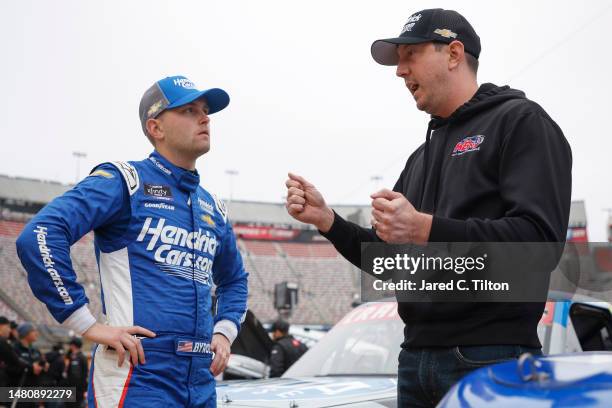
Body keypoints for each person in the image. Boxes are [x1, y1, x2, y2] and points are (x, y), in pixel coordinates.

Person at [285, 8, 571, 407]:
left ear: (454, 54)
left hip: (492, 358)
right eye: (398, 61)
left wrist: (425, 228)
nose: (400, 71)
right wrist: (328, 221)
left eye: (410, 56)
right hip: (415, 360)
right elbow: (392, 261)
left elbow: (539, 245)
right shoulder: (422, 156)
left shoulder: (520, 122)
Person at [16, 75, 249, 407]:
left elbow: (235, 279)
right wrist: (88, 324)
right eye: (188, 110)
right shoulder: (125, 181)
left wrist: (224, 332)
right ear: (156, 128)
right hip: (136, 374)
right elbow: (40, 235)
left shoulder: (213, 206)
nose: (204, 117)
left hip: (200, 378)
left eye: (206, 110)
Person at [64, 338, 88, 408]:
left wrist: (84, 389)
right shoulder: (70, 357)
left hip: (77, 389)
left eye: (70, 345)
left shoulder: (81, 357)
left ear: (73, 346)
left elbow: (84, 374)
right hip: (70, 388)